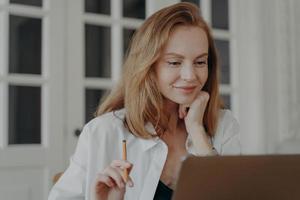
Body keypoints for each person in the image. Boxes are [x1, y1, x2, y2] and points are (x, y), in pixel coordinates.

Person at [48, 2, 241, 200]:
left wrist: (199, 133)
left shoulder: (224, 126)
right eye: (174, 62)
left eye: (200, 62)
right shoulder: (102, 133)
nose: (190, 75)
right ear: (148, 66)